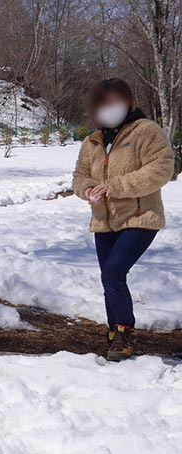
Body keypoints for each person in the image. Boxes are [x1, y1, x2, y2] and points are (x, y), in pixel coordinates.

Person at [72, 78, 174, 361]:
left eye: (115, 103)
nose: (109, 109)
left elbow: (161, 168)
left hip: (140, 218)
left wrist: (115, 186)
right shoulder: (92, 142)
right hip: (104, 221)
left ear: (129, 102)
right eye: (103, 105)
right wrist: (88, 190)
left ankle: (126, 334)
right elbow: (80, 177)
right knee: (109, 280)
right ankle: (114, 333)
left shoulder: (146, 132)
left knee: (113, 273)